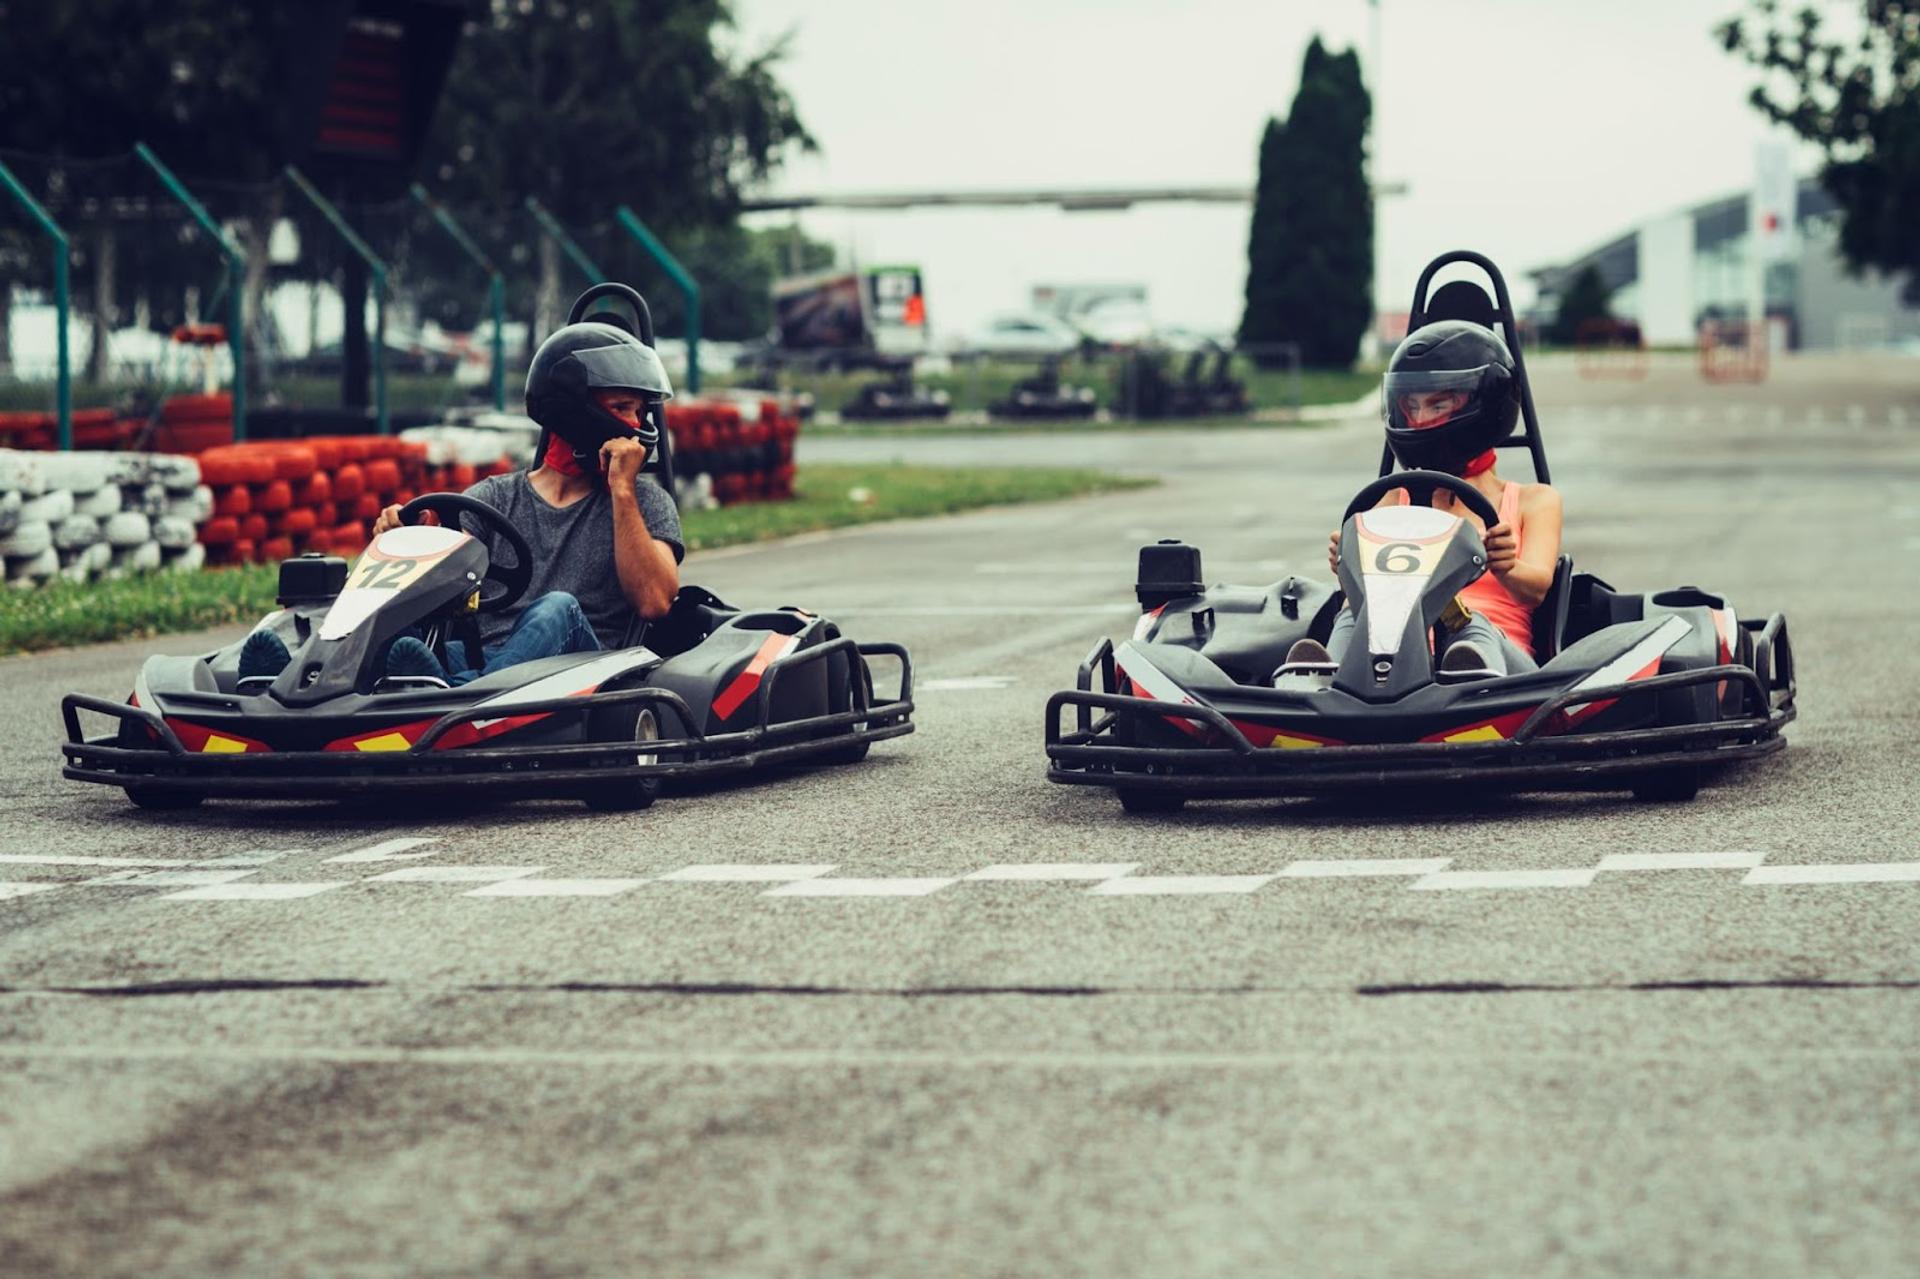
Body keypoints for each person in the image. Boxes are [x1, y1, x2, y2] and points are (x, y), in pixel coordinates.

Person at [238, 315, 684, 685]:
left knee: (557, 608)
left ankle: (447, 699)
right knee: (400, 633)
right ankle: (293, 682)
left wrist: (621, 490)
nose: (637, 426)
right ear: (572, 411)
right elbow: (435, 585)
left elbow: (655, 602)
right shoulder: (494, 497)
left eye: (640, 412)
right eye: (623, 408)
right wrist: (401, 542)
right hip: (482, 660)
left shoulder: (645, 501)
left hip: (581, 671)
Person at [1288, 319, 1563, 679]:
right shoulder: (1394, 496)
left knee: (1470, 623)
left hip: (1504, 667)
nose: (1419, 420)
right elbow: (1366, 594)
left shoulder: (1533, 500)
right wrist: (1347, 565)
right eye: (1412, 407)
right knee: (1356, 613)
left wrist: (1507, 567)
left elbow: (1536, 591)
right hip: (1401, 660)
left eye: (1437, 405)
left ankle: (1470, 676)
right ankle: (1319, 680)